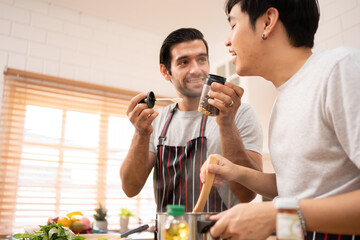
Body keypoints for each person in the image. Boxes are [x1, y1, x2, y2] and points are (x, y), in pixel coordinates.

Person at [199, 0, 360, 239]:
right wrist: (236, 172)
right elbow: (300, 187)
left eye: (233, 25)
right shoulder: (283, 99)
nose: (227, 41)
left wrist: (275, 213)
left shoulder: (339, 69)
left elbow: (292, 208)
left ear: (267, 22)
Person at [120, 28, 263, 213]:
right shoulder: (156, 120)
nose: (196, 69)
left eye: (202, 59)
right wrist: (140, 134)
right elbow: (130, 188)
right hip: (171, 233)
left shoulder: (240, 114)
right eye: (184, 62)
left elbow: (247, 195)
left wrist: (227, 125)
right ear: (165, 71)